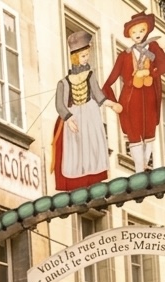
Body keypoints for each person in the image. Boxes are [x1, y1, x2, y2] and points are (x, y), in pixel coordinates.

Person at [102, 12, 165, 172]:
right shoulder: (124, 56)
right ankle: (139, 169)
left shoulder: (153, 47)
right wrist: (113, 103)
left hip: (150, 97)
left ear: (147, 30)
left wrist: (150, 72)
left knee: (149, 133)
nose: (138, 34)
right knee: (134, 134)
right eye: (134, 32)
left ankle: (144, 165)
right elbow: (108, 82)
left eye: (141, 30)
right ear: (129, 35)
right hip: (130, 99)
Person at [52, 30, 121, 191]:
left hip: (90, 114)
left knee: (92, 145)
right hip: (75, 116)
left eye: (87, 55)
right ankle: (78, 182)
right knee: (76, 148)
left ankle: (93, 179)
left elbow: (99, 95)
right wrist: (68, 118)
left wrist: (112, 105)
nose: (86, 58)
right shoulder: (64, 82)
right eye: (83, 56)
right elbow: (59, 104)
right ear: (75, 57)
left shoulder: (90, 75)